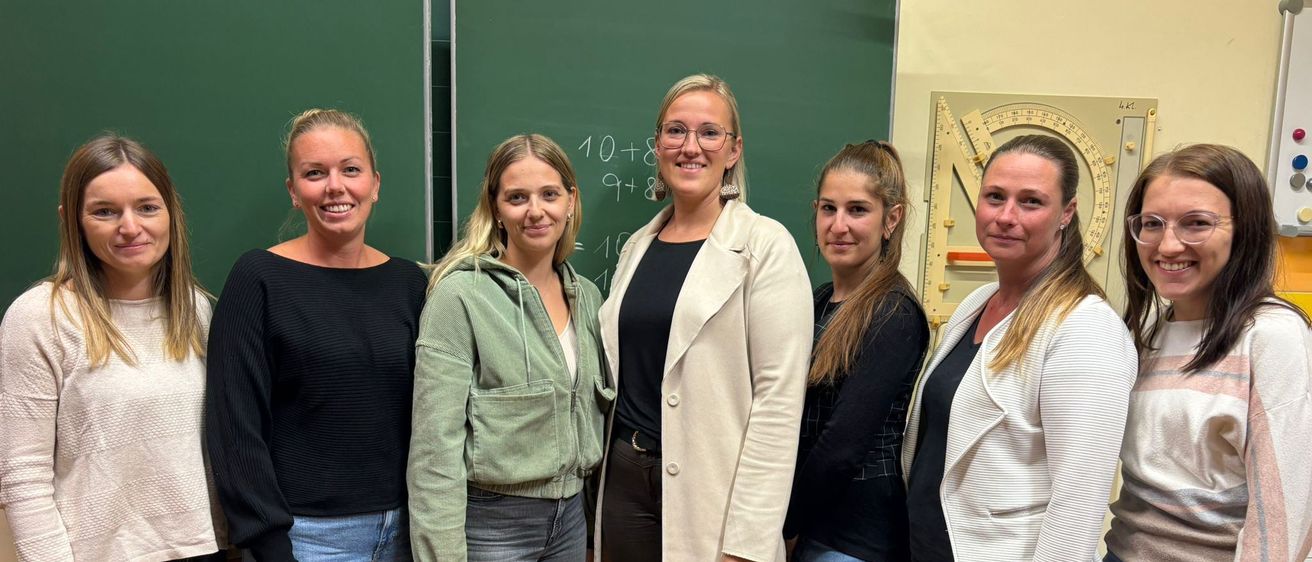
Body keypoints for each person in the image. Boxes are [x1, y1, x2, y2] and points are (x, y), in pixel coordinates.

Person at [595, 73, 813, 562]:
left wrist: (748, 542)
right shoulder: (637, 247)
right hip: (625, 483)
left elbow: (779, 403)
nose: (690, 146)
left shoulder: (766, 247)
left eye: (709, 132)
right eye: (675, 131)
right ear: (658, 144)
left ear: (733, 150)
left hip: (713, 491)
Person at [900, 134, 1137, 561]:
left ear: (1067, 213)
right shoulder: (977, 304)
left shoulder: (1085, 328)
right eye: (995, 197)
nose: (1006, 216)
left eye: (1030, 202)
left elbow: (1078, 502)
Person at [205, 109, 426, 561]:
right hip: (306, 539)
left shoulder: (410, 284)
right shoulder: (258, 278)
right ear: (293, 191)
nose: (335, 187)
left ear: (375, 183)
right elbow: (235, 427)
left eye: (350, 169)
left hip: (408, 530)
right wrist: (268, 543)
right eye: (314, 173)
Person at [0, 134, 225, 561]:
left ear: (170, 213)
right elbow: (21, 475)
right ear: (73, 221)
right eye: (105, 212)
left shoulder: (195, 311)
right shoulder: (39, 318)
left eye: (146, 207)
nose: (130, 227)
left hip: (202, 549)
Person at [407, 134, 611, 561]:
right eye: (517, 197)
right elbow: (434, 449)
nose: (535, 211)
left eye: (549, 195)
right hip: (491, 525)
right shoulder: (461, 295)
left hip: (572, 519)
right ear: (496, 208)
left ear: (570, 201)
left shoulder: (589, 297)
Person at [1103, 144, 1312, 562]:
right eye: (1152, 223)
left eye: (1196, 223)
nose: (1168, 245)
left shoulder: (1272, 335)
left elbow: (1284, 513)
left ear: (1245, 231)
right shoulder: (1145, 331)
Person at [782, 141, 929, 562]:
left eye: (857, 210)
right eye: (828, 209)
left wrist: (787, 526)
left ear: (891, 218)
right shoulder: (818, 299)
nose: (838, 225)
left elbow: (842, 447)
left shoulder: (893, 313)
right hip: (811, 523)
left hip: (852, 538)